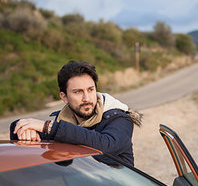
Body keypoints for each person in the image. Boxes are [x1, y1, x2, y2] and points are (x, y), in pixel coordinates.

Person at [10, 60, 142, 167]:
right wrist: (23, 127)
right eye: (78, 92)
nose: (87, 98)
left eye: (90, 90)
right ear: (64, 97)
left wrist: (48, 127)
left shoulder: (119, 118)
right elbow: (54, 161)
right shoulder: (63, 121)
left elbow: (107, 145)